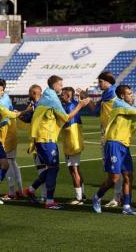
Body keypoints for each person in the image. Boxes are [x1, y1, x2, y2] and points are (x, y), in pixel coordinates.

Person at [92, 85, 136, 216]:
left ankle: (127, 206)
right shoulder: (119, 104)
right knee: (114, 178)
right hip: (114, 143)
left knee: (128, 176)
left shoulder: (128, 108)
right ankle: (97, 197)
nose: (132, 95)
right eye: (129, 93)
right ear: (122, 96)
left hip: (124, 144)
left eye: (132, 93)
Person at [24, 75, 90, 209]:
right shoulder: (52, 98)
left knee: (50, 167)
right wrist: (80, 105)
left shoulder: (47, 96)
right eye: (60, 84)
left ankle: (30, 190)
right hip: (46, 137)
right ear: (54, 85)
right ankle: (49, 201)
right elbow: (65, 118)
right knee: (53, 168)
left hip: (41, 137)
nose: (61, 87)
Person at [78, 72, 121, 207]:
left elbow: (96, 109)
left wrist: (87, 98)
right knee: (118, 168)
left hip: (110, 135)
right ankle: (119, 198)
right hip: (112, 134)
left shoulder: (110, 91)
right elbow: (97, 111)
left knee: (113, 169)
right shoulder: (109, 92)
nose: (99, 84)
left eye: (101, 81)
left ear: (108, 81)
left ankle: (115, 197)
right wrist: (88, 99)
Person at [18, 84, 46, 202]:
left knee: (45, 169)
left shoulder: (40, 105)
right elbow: (28, 118)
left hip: (41, 141)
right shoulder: (36, 105)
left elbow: (28, 118)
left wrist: (20, 114)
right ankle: (41, 194)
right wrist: (21, 114)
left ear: (34, 93)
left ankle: (38, 193)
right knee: (42, 169)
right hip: (37, 141)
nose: (28, 94)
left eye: (30, 92)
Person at [60, 86, 86, 205]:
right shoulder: (74, 104)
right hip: (75, 141)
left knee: (73, 169)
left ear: (68, 96)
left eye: (62, 94)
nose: (61, 96)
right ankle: (82, 194)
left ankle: (78, 198)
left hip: (71, 142)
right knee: (77, 169)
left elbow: (67, 124)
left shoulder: (69, 107)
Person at [0, 88, 24, 201]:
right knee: (13, 162)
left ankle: (12, 192)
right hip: (12, 134)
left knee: (7, 163)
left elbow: (2, 120)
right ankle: (20, 190)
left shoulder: (1, 101)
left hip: (6, 136)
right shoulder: (7, 99)